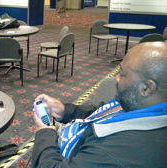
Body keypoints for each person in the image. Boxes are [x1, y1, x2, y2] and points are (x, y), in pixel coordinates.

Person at [32, 42, 167, 168]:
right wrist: (65, 111)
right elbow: (101, 113)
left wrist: (44, 132)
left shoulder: (118, 152)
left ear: (147, 88)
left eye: (122, 74)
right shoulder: (143, 105)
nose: (116, 78)